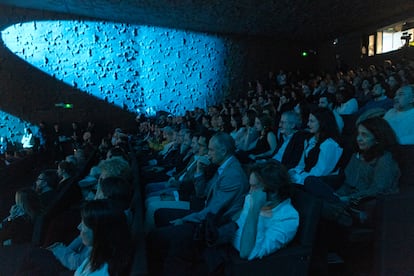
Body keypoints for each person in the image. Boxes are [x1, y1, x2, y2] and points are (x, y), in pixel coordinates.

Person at [147, 132, 248, 275]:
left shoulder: (233, 175)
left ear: (223, 151)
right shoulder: (223, 167)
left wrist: (184, 219)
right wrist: (200, 171)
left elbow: (214, 211)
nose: (209, 153)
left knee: (155, 236)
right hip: (205, 214)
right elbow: (202, 193)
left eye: (211, 149)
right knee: (160, 214)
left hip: (212, 225)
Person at [304, 117, 400, 225]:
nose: (358, 139)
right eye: (358, 134)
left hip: (361, 201)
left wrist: (349, 198)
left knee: (314, 205)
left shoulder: (385, 159)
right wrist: (338, 196)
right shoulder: (357, 155)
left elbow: (378, 189)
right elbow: (346, 183)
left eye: (364, 135)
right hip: (344, 201)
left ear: (378, 139)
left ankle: (341, 212)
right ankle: (340, 211)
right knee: (310, 181)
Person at [233, 160, 299, 260]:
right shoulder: (251, 198)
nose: (250, 192)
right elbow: (234, 228)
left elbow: (247, 253)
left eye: (254, 187)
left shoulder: (288, 218)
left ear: (273, 192)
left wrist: (254, 210)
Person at [74, 200, 132, 276]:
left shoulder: (103, 273)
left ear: (100, 232)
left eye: (84, 224)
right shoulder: (100, 253)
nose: (79, 227)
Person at [289, 107, 343, 185]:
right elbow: (302, 165)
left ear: (322, 123)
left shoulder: (330, 145)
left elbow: (320, 173)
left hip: (318, 184)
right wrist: (294, 171)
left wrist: (299, 178)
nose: (308, 124)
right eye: (308, 121)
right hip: (305, 177)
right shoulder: (310, 140)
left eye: (312, 121)